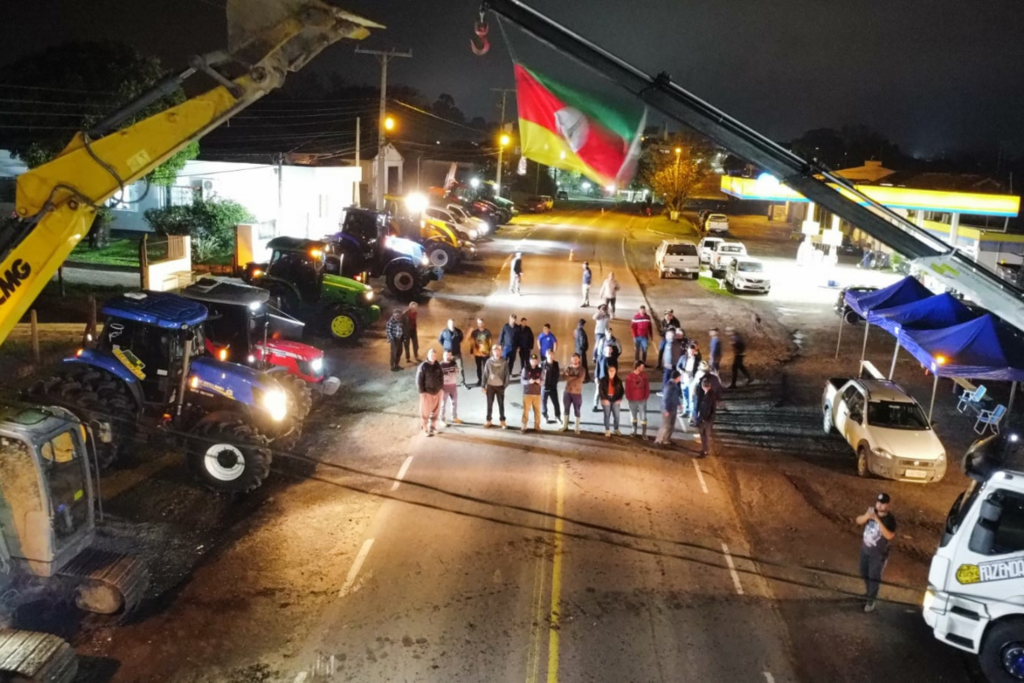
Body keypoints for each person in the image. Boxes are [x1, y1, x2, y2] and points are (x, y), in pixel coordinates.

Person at [856, 493, 897, 613]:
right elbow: (858, 521)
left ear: (888, 505)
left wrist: (877, 520)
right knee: (863, 573)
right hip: (865, 550)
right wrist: (867, 516)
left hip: (878, 554)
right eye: (878, 502)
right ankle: (869, 593)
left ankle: (871, 600)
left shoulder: (890, 519)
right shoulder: (871, 512)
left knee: (874, 577)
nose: (879, 505)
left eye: (883, 503)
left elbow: (889, 535)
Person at [415, 348, 444, 436]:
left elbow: (441, 377)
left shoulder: (437, 364)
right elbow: (419, 381)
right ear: (428, 355)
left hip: (438, 392)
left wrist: (441, 388)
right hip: (427, 393)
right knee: (425, 412)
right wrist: (422, 392)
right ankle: (425, 428)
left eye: (434, 356)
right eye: (431, 355)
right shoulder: (423, 366)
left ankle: (433, 427)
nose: (433, 357)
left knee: (436, 411)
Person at [481, 344, 510, 429]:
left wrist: (505, 385)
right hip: (490, 386)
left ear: (501, 352)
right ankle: (488, 420)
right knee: (489, 404)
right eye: (495, 351)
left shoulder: (504, 362)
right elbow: (485, 374)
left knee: (501, 404)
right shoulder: (489, 362)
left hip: (500, 386)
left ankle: (502, 421)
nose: (497, 352)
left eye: (499, 351)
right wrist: (483, 386)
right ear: (492, 352)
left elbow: (507, 375)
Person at [593, 327, 622, 410]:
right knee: (598, 391)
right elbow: (597, 368)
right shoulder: (600, 358)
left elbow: (619, 351)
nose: (608, 351)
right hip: (602, 378)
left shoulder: (614, 359)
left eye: (610, 350)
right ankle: (595, 405)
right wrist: (596, 377)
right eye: (607, 350)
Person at [692, 374, 720, 457]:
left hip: (706, 419)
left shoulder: (709, 396)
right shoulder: (711, 394)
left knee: (705, 435)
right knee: (703, 434)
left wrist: (703, 419)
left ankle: (705, 451)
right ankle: (704, 449)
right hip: (707, 419)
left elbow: (707, 409)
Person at [653, 370, 683, 447]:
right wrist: (666, 410)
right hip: (668, 409)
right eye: (679, 377)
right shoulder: (670, 386)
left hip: (673, 408)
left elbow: (675, 396)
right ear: (677, 377)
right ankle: (658, 441)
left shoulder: (674, 385)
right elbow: (665, 398)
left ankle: (666, 439)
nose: (680, 379)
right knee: (665, 425)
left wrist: (679, 404)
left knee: (671, 425)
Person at [625, 360, 651, 438]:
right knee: (633, 416)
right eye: (642, 366)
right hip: (632, 400)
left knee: (643, 417)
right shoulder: (629, 377)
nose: (643, 368)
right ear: (637, 367)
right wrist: (629, 398)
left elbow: (647, 387)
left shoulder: (644, 376)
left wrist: (646, 397)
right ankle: (634, 431)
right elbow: (627, 389)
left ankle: (644, 433)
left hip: (642, 400)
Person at [560, 353, 585, 434]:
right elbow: (563, 377)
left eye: (576, 358)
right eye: (573, 358)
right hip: (567, 392)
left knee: (577, 410)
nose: (574, 360)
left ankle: (577, 427)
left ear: (579, 360)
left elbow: (580, 379)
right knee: (566, 409)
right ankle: (565, 426)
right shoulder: (568, 367)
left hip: (577, 393)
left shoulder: (582, 369)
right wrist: (574, 377)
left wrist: (569, 377)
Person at [598, 363, 625, 437]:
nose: (612, 372)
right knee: (607, 415)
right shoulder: (603, 380)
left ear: (616, 371)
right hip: (606, 398)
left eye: (613, 370)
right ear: (608, 371)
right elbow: (601, 390)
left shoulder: (618, 380)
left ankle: (616, 429)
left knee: (617, 415)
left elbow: (621, 391)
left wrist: (619, 399)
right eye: (610, 370)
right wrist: (603, 399)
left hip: (615, 399)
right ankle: (607, 430)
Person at [677, 342, 703, 416]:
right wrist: (681, 371)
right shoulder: (683, 357)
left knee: (692, 398)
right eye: (690, 351)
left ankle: (691, 414)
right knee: (685, 396)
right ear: (687, 350)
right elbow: (678, 366)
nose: (691, 352)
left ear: (695, 351)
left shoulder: (697, 360)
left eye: (693, 351)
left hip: (692, 381)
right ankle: (686, 411)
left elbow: (700, 369)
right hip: (684, 379)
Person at [438, 319, 466, 387]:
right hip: (448, 354)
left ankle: (462, 382)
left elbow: (461, 339)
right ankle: (448, 382)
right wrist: (446, 346)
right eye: (450, 323)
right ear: (448, 324)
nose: (451, 325)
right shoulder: (444, 332)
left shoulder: (458, 331)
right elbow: (440, 340)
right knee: (447, 368)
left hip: (457, 353)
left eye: (453, 323)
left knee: (460, 367)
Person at [520, 353, 543, 432]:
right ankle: (524, 425)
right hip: (528, 393)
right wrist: (528, 381)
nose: (534, 361)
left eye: (535, 360)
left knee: (537, 411)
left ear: (537, 361)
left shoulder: (540, 370)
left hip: (537, 394)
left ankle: (537, 425)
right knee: (526, 410)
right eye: (532, 360)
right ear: (529, 361)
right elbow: (522, 381)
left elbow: (543, 381)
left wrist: (540, 382)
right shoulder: (525, 369)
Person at [439, 350, 462, 426]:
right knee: (443, 404)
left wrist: (457, 371)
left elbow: (457, 372)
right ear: (443, 355)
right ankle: (442, 419)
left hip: (453, 386)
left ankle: (454, 417)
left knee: (454, 402)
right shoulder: (440, 365)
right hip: (444, 387)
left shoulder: (453, 363)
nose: (448, 356)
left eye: (449, 355)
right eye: (446, 355)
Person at [659, 329, 684, 395]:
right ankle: (677, 391)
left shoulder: (669, 344)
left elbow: (669, 355)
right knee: (675, 378)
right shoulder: (677, 343)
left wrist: (668, 363)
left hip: (670, 365)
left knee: (666, 378)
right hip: (675, 364)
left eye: (667, 335)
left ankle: (665, 391)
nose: (666, 336)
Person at [470, 318, 493, 387]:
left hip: (485, 353)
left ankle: (486, 380)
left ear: (483, 323)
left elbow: (490, 342)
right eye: (478, 323)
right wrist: (471, 351)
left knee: (486, 367)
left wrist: (489, 350)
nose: (480, 324)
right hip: (477, 353)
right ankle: (480, 380)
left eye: (481, 323)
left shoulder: (487, 332)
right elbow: (472, 342)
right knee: (478, 367)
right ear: (477, 324)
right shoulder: (474, 333)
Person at [541, 350, 561, 424]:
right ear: (546, 355)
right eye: (549, 354)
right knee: (543, 402)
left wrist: (555, 383)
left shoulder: (556, 364)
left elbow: (557, 375)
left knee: (556, 402)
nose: (551, 356)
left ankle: (557, 416)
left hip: (553, 387)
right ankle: (545, 416)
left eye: (552, 354)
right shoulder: (542, 364)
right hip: (544, 387)